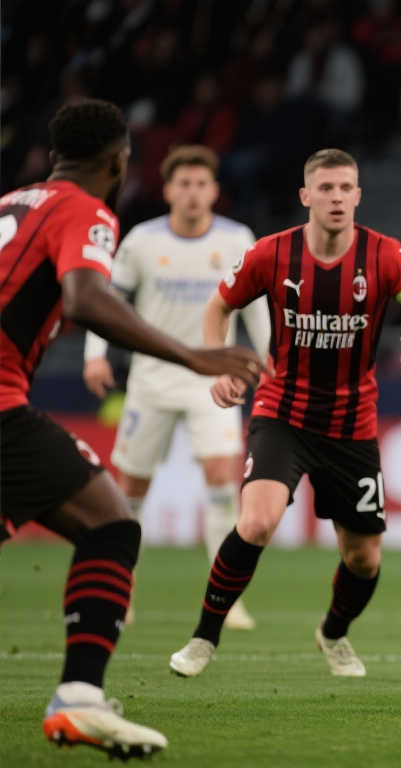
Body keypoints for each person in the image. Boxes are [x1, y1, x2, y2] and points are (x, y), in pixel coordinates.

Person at [0, 99, 263, 756]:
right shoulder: (87, 211)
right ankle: (79, 700)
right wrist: (195, 355)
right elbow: (88, 298)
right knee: (112, 524)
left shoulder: (12, 203)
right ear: (119, 161)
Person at [169, 148, 401, 679]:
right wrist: (219, 364)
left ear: (358, 195)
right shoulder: (270, 254)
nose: (336, 197)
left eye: (345, 188)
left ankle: (334, 633)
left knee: (363, 558)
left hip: (352, 424)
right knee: (256, 521)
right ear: (306, 196)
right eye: (325, 188)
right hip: (283, 413)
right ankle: (203, 637)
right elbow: (218, 306)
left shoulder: (387, 256)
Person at [82, 145, 270, 630]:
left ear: (214, 190)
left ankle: (226, 600)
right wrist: (94, 355)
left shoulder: (236, 238)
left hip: (215, 379)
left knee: (221, 481)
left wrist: (271, 356)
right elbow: (105, 300)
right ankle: (121, 590)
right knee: (131, 490)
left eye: (201, 184)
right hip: (152, 380)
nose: (192, 193)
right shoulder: (142, 241)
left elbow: (255, 305)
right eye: (183, 184)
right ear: (167, 190)